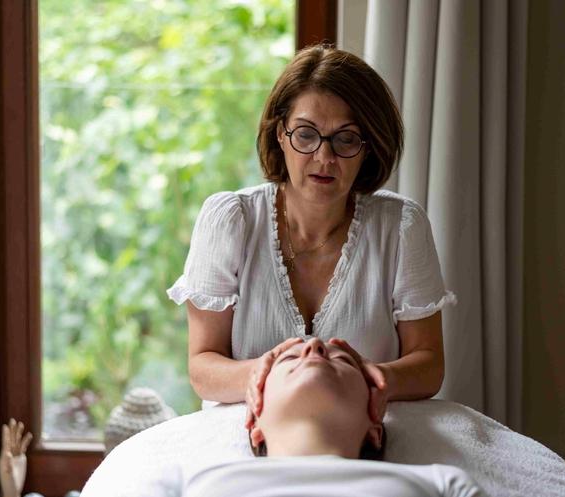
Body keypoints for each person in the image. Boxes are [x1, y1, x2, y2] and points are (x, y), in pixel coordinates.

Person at [167, 44, 456, 428]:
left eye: (346, 139)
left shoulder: (401, 226)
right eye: (306, 135)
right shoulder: (230, 221)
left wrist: (362, 380)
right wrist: (270, 374)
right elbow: (203, 367)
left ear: (369, 149)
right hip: (243, 433)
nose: (324, 157)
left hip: (366, 431)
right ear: (280, 134)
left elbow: (428, 365)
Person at [183, 338, 482, 497]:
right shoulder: (189, 480)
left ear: (375, 426)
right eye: (289, 359)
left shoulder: (443, 482)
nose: (314, 347)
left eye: (341, 360)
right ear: (254, 426)